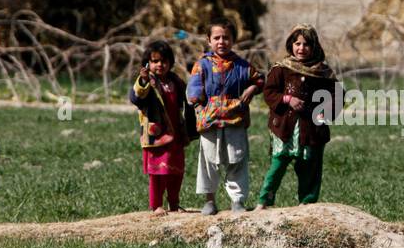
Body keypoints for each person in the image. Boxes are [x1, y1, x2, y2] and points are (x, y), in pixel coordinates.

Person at [257, 24, 340, 208]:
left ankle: (307, 203)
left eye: (306, 44)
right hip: (284, 128)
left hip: (311, 129)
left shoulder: (322, 73)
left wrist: (323, 113)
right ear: (290, 45)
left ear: (315, 47)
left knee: (309, 166)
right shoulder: (281, 69)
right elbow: (269, 92)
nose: (301, 48)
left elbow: (337, 96)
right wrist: (287, 99)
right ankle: (264, 201)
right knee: (277, 165)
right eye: (297, 43)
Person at [185, 20, 263, 214]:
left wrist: (252, 88)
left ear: (233, 40)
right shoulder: (201, 65)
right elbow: (193, 88)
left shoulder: (243, 66)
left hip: (235, 120)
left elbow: (260, 79)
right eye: (217, 38)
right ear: (208, 40)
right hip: (209, 121)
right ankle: (209, 200)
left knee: (237, 160)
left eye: (226, 37)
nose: (222, 42)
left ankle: (237, 201)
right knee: (208, 162)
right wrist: (197, 103)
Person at [129, 40, 192, 214]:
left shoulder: (175, 81)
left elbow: (188, 96)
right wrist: (143, 81)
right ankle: (156, 205)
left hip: (176, 132)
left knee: (176, 171)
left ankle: (174, 203)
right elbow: (136, 98)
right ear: (148, 63)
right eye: (155, 61)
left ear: (170, 63)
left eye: (164, 61)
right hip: (156, 135)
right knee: (157, 173)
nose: (160, 65)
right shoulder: (146, 81)